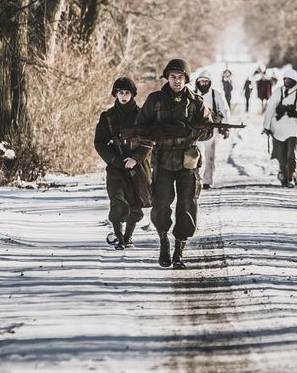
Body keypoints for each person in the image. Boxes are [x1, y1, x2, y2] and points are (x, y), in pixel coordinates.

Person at [132, 58, 214, 269]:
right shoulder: (155, 100)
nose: (177, 81)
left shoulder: (196, 102)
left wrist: (190, 131)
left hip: (188, 161)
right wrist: (156, 133)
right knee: (160, 205)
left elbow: (208, 130)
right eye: (173, 77)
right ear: (167, 78)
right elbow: (139, 129)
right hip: (162, 160)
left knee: (187, 205)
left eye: (180, 77)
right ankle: (163, 243)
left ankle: (179, 251)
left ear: (186, 79)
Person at [93, 77, 152, 249]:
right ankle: (118, 237)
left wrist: (136, 158)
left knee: (135, 206)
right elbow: (100, 142)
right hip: (116, 168)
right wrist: (114, 160)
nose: (124, 96)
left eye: (127, 93)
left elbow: (148, 142)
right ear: (115, 94)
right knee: (118, 202)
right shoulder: (108, 117)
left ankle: (128, 238)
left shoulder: (143, 116)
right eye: (120, 93)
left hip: (137, 168)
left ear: (133, 95)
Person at [263, 67, 297, 187]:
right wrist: (266, 126)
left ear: (295, 80)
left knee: (292, 156)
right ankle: (284, 176)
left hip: (295, 129)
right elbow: (270, 109)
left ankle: (291, 176)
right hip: (278, 129)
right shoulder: (278, 92)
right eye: (285, 79)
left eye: (290, 79)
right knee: (281, 156)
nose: (287, 81)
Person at [194, 69, 231, 190]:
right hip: (196, 130)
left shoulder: (217, 94)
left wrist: (226, 127)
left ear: (210, 82)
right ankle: (194, 179)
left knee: (210, 155)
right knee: (195, 155)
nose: (203, 83)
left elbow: (225, 111)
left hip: (212, 129)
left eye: (206, 81)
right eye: (201, 81)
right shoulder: (192, 94)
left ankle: (207, 180)